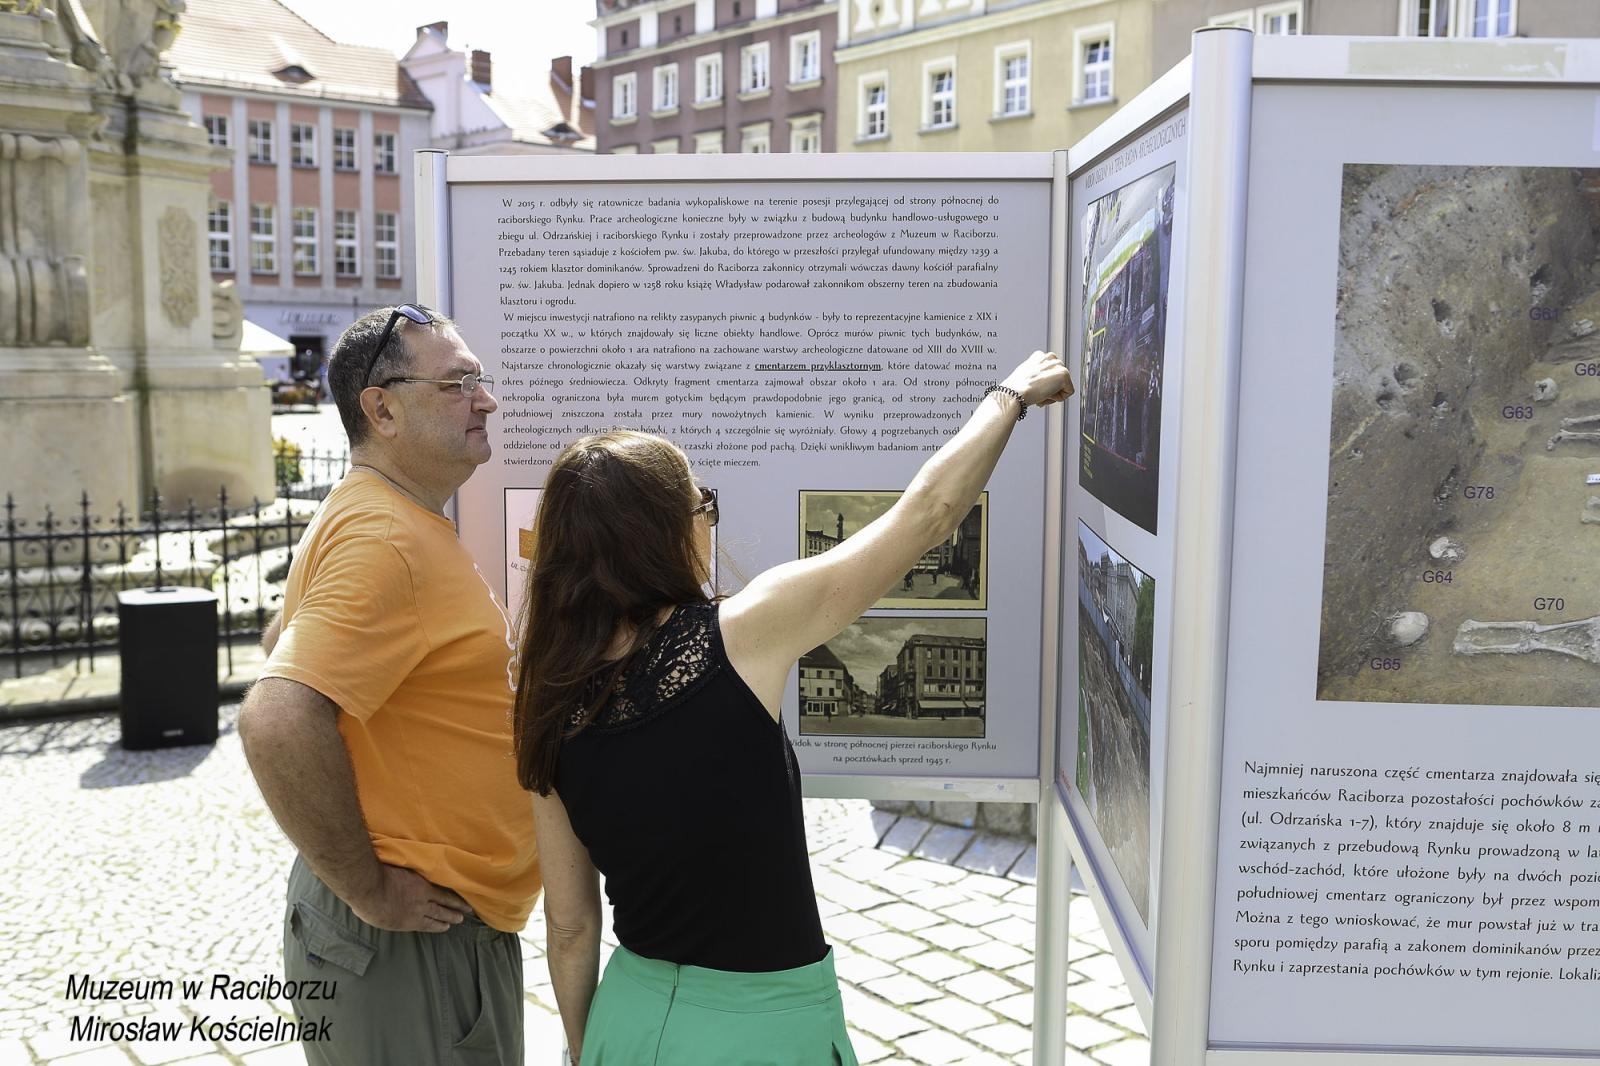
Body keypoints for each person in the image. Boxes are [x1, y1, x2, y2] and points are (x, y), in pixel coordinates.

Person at [514, 350, 1072, 1065]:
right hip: (763, 1029)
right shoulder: (740, 633)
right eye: (701, 504)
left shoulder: (547, 697)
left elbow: (568, 926)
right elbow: (928, 515)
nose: (708, 522)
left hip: (628, 1016)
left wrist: (586, 1045)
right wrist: (1010, 395)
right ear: (662, 533)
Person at [239, 304, 540, 1066]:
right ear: (382, 408)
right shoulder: (385, 538)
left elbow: (283, 640)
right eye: (458, 383)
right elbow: (275, 717)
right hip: (413, 944)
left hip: (412, 944)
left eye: (479, 379)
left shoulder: (371, 511)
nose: (487, 399)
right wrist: (370, 889)